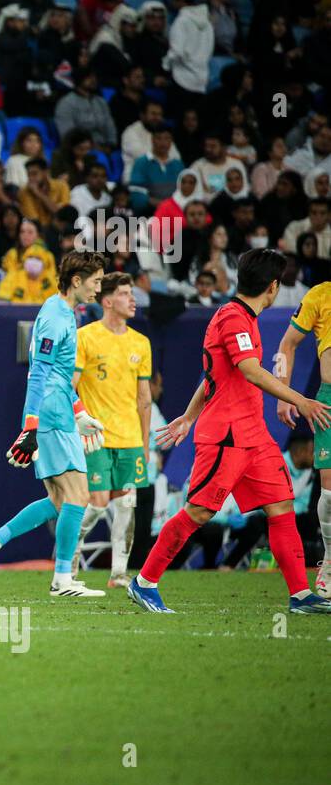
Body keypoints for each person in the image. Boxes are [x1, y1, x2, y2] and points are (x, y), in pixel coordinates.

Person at [132, 248, 331, 615]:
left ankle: (300, 594)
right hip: (225, 436)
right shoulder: (233, 317)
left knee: (282, 505)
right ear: (273, 287)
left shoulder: (242, 317)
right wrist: (301, 401)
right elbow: (250, 370)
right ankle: (144, 582)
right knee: (199, 512)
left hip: (253, 435)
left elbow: (213, 378)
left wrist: (188, 417)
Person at [0, 251, 110, 598]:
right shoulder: (56, 319)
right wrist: (30, 427)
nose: (99, 290)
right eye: (95, 282)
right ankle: (62, 579)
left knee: (61, 500)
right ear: (76, 281)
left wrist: (80, 412)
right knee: (79, 495)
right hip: (50, 416)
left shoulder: (61, 310)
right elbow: (39, 375)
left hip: (60, 411)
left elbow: (60, 376)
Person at [69, 274, 153, 590]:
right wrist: (77, 424)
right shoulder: (86, 337)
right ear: (107, 301)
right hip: (95, 437)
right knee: (98, 501)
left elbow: (144, 399)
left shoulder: (140, 343)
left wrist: (145, 444)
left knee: (126, 502)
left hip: (130, 437)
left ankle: (119, 573)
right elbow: (70, 387)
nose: (132, 299)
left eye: (132, 293)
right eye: (124, 294)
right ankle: (70, 558)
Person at [275, 279, 331, 598]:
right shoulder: (320, 294)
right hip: (329, 402)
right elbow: (287, 344)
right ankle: (330, 563)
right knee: (330, 493)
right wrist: (285, 394)